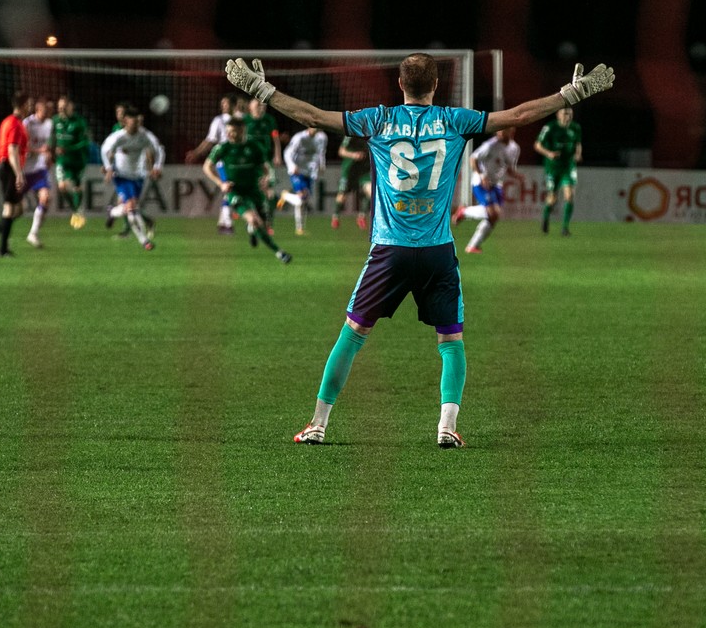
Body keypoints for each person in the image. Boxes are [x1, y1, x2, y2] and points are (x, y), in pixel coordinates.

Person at [224, 53, 614, 448]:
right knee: (451, 341)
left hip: (388, 250)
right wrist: (570, 95)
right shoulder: (455, 120)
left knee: (353, 333)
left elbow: (311, 116)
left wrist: (263, 91)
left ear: (400, 84)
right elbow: (518, 115)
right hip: (436, 251)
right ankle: (447, 428)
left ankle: (318, 425)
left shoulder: (377, 120)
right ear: (436, 85)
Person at [202, 116, 292, 264]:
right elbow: (207, 167)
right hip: (235, 192)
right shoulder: (223, 148)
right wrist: (221, 183)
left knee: (263, 224)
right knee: (254, 220)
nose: (229, 134)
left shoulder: (255, 147)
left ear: (242, 130)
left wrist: (267, 178)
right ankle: (279, 252)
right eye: (228, 131)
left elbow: (266, 168)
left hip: (254, 190)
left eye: (233, 131)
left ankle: (252, 231)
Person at [101, 105, 164, 251]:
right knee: (131, 207)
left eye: (137, 122)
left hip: (138, 176)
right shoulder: (118, 137)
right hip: (121, 175)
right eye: (132, 122)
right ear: (125, 122)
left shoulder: (145, 136)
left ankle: (112, 211)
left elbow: (159, 150)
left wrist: (157, 167)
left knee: (132, 207)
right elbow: (105, 150)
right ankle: (144, 241)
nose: (135, 125)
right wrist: (108, 168)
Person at [452, 128, 524, 254]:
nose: (499, 133)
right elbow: (473, 158)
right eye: (498, 131)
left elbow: (509, 168)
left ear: (511, 131)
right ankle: (464, 212)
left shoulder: (514, 148)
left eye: (503, 130)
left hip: (496, 183)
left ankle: (473, 246)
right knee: (492, 213)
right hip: (481, 181)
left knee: (494, 217)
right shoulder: (490, 145)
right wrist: (481, 175)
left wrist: (517, 176)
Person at [186, 93, 247, 234]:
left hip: (240, 160)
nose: (223, 106)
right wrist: (197, 152)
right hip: (223, 160)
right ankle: (228, 223)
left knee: (235, 189)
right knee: (229, 188)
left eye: (226, 103)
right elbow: (210, 140)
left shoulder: (242, 119)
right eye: (222, 104)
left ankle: (223, 222)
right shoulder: (218, 120)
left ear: (234, 105)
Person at [0, 93, 32, 256]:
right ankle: (2, 250)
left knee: (20, 209)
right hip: (9, 168)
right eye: (29, 104)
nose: (30, 107)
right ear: (23, 105)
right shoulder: (15, 124)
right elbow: (12, 151)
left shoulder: (10, 121)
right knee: (10, 208)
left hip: (8, 167)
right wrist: (18, 173)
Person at [534, 108, 583, 235]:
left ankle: (565, 228)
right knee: (553, 198)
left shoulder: (575, 128)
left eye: (570, 114)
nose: (568, 116)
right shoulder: (550, 128)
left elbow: (578, 143)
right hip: (553, 167)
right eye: (565, 114)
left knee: (569, 196)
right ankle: (545, 218)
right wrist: (549, 153)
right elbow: (537, 145)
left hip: (568, 167)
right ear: (558, 115)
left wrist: (578, 154)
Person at [279, 125, 327, 235]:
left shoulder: (322, 137)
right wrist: (292, 166)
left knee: (304, 200)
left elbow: (321, 152)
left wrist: (322, 165)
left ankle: (286, 196)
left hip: (310, 172)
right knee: (301, 199)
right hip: (297, 170)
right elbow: (287, 153)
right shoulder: (299, 137)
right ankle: (299, 227)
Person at [51, 94, 90, 228]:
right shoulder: (55, 121)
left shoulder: (79, 122)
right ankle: (76, 211)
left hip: (78, 160)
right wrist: (51, 149)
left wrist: (68, 149)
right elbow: (52, 138)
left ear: (70, 107)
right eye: (59, 108)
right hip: (62, 161)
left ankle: (77, 211)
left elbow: (84, 142)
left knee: (77, 188)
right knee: (62, 187)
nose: (61, 110)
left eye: (63, 107)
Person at [243, 96, 282, 227]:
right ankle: (253, 219)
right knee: (252, 190)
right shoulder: (245, 120)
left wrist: (277, 155)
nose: (261, 107)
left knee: (269, 191)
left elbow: (275, 138)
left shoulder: (269, 120)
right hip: (250, 163)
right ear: (250, 106)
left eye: (263, 105)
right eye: (258, 104)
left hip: (266, 161)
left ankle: (268, 221)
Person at [21, 97, 54, 248]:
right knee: (15, 208)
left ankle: (33, 234)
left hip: (39, 169)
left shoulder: (49, 124)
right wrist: (40, 151)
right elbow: (23, 147)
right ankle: (0, 233)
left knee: (46, 198)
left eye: (48, 111)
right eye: (44, 111)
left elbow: (48, 145)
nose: (47, 113)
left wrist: (48, 155)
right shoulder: (27, 123)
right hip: (24, 169)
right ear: (37, 110)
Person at [331, 134, 372, 230]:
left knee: (371, 191)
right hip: (350, 169)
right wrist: (353, 155)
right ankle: (335, 216)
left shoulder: (371, 134)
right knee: (342, 194)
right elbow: (341, 151)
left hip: (363, 170)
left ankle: (361, 216)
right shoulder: (351, 134)